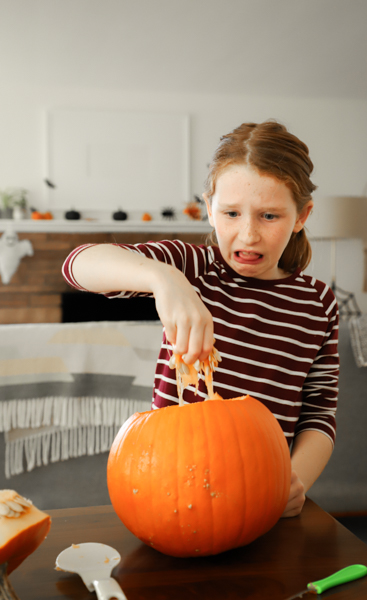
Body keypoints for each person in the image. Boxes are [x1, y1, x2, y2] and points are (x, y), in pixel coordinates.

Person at [62, 120, 339, 518]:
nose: (248, 234)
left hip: (261, 498)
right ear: (209, 209)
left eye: (269, 216)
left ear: (301, 216)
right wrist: (164, 279)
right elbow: (77, 265)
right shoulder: (193, 268)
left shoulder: (318, 303)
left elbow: (319, 414)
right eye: (231, 213)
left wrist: (294, 480)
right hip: (171, 490)